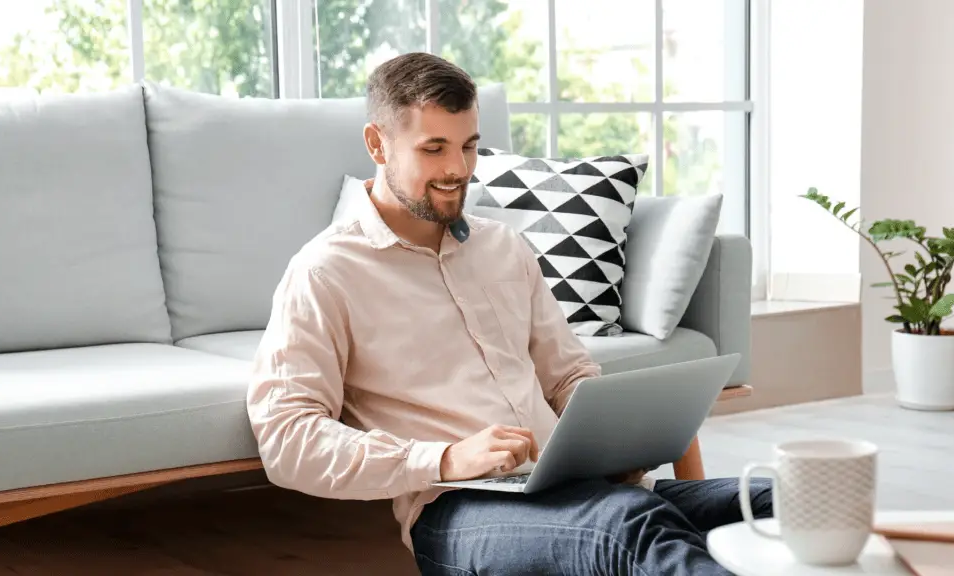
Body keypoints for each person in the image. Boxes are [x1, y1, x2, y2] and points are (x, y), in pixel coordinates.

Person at [247, 51, 773, 575]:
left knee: (784, 499)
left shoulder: (503, 246)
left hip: (572, 484)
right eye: (434, 149)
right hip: (460, 511)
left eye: (469, 146)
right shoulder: (325, 272)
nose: (457, 169)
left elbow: (568, 373)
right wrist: (445, 459)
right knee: (631, 528)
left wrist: (612, 443)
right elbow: (287, 437)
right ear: (377, 144)